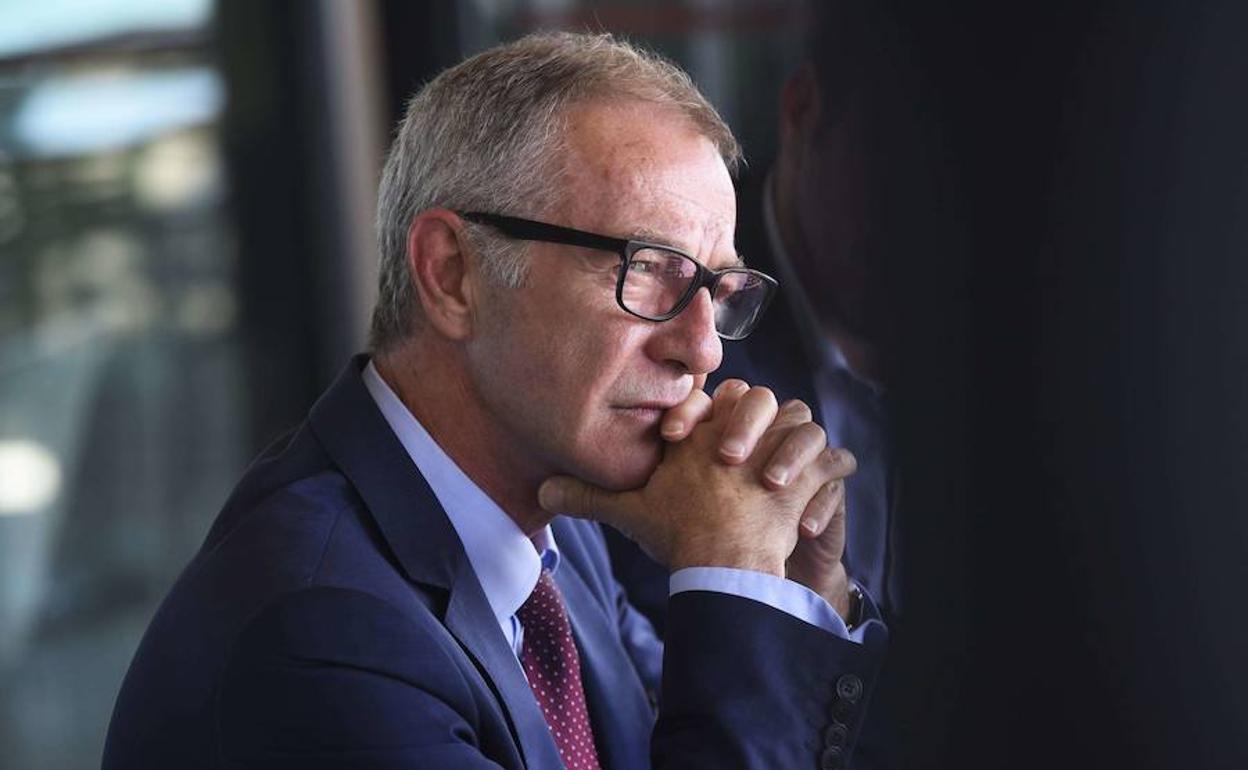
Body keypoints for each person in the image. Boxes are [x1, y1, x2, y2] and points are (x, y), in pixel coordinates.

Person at [102, 32, 887, 770]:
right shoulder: (318, 635)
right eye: (649, 268)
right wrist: (733, 579)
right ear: (452, 275)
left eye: (718, 289)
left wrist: (796, 589)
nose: (705, 350)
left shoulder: (557, 521)